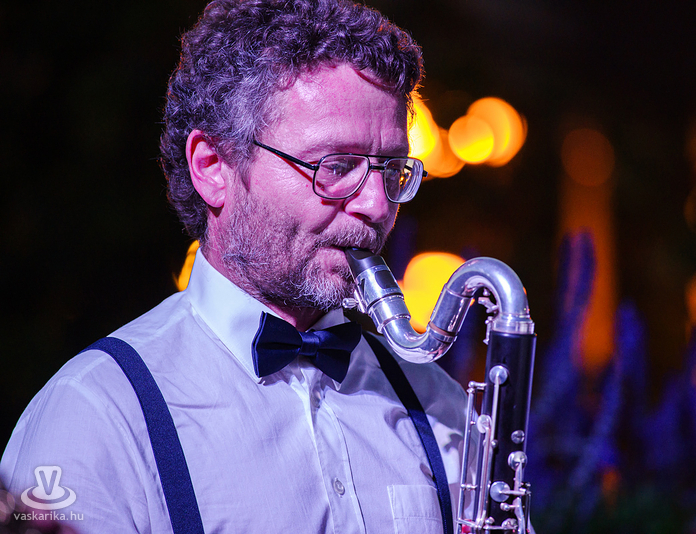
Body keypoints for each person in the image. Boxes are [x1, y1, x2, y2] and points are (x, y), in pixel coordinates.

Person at [0, 1, 470, 532]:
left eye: (392, 170)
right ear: (212, 166)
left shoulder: (439, 406)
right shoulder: (95, 413)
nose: (377, 205)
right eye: (336, 166)